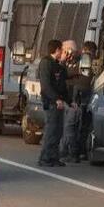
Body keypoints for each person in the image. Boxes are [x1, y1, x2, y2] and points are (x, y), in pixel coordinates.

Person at [38, 39, 70, 167]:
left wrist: (69, 101)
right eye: (61, 50)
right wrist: (56, 99)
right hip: (51, 102)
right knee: (51, 130)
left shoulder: (57, 64)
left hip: (59, 102)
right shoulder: (46, 63)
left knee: (58, 131)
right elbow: (46, 85)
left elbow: (62, 83)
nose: (63, 52)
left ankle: (54, 156)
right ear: (57, 50)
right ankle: (45, 157)